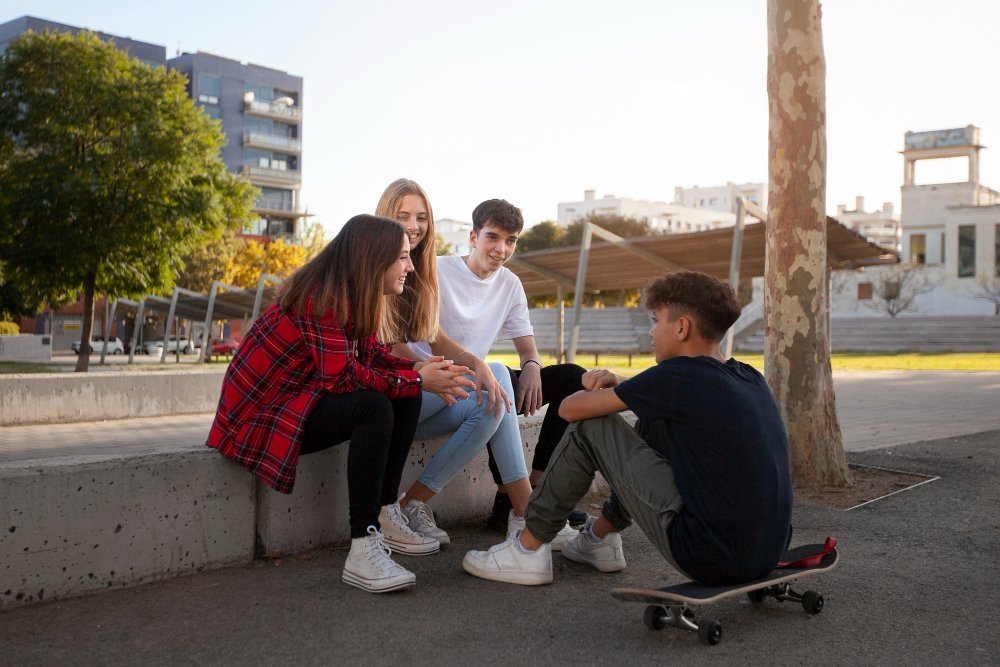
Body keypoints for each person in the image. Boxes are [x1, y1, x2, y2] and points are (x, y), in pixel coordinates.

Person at [462, 270, 793, 587]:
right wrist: (620, 384)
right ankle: (599, 539)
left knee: (591, 425)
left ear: (681, 328)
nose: (651, 332)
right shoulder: (747, 375)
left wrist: (593, 387)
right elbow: (667, 395)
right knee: (654, 419)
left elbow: (568, 409)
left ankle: (527, 548)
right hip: (765, 551)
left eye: (655, 321)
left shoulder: (678, 376)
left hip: (709, 554)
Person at [206, 214, 474, 594]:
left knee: (405, 391)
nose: (410, 266)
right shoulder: (323, 298)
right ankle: (363, 549)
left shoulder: (352, 293)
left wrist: (418, 369)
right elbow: (343, 378)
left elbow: (371, 358)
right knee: (373, 406)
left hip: (294, 403)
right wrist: (416, 376)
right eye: (401, 257)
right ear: (372, 258)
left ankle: (385, 514)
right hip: (256, 422)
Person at [388, 192, 580, 547]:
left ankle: (413, 503)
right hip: (414, 388)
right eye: (492, 237)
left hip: (457, 392)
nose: (501, 249)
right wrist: (474, 365)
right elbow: (408, 339)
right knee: (494, 377)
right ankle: (528, 514)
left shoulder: (510, 284)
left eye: (510, 241)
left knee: (500, 395)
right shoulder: (434, 269)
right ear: (474, 237)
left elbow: (526, 345)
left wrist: (533, 365)